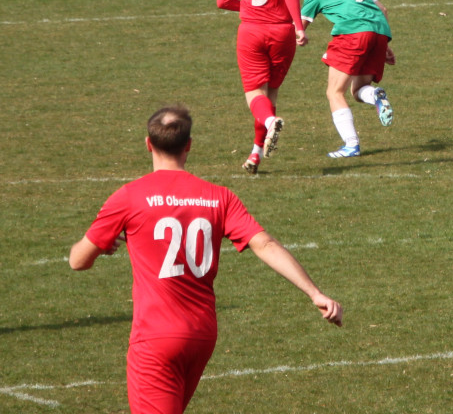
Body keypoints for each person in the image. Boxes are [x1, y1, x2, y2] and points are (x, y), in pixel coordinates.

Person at [68, 106, 343, 414]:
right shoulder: (219, 197)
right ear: (189, 145)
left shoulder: (129, 197)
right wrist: (315, 293)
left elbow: (78, 261)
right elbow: (264, 244)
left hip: (156, 337)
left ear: (148, 144)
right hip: (201, 335)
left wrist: (101, 247)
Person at [216, 0, 306, 175]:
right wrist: (299, 25)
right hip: (282, 32)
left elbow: (222, 1)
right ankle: (256, 154)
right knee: (271, 93)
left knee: (255, 94)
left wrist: (246, 7)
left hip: (251, 32)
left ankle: (269, 123)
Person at [301, 0, 395, 158]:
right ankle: (375, 96)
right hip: (378, 31)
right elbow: (383, 9)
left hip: (352, 33)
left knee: (334, 92)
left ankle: (351, 144)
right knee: (359, 90)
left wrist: (297, 35)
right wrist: (385, 44)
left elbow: (302, 24)